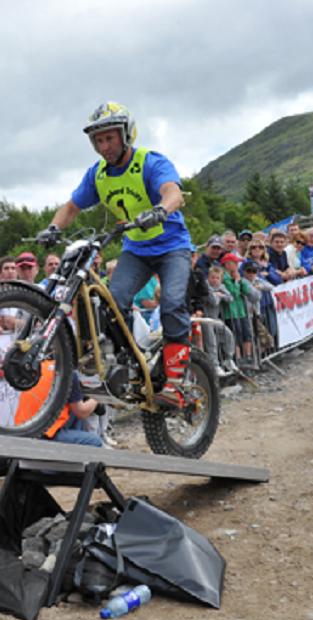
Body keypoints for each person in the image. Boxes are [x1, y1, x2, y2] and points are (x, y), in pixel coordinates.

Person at [38, 102, 190, 407]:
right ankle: (129, 364)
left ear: (126, 134)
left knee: (172, 303)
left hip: (172, 246)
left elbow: (173, 192)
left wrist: (160, 210)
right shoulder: (98, 175)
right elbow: (72, 207)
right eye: (98, 140)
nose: (104, 146)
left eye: (109, 138)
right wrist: (53, 228)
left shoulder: (149, 162)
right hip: (136, 250)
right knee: (112, 304)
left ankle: (177, 381)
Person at [15, 364, 102, 447]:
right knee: (96, 441)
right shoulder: (68, 373)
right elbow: (82, 412)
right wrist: (96, 400)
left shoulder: (38, 366)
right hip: (45, 435)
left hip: (23, 428)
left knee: (74, 409)